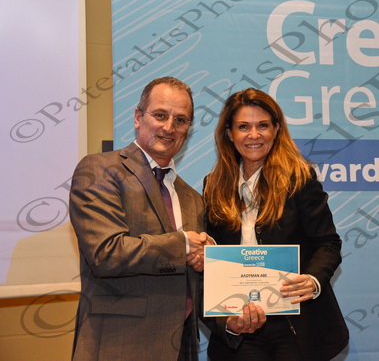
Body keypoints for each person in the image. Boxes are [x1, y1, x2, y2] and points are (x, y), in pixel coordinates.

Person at [69, 77, 263, 361]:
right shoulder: (100, 170)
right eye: (160, 115)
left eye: (180, 120)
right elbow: (106, 253)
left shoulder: (192, 198)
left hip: (182, 347)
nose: (169, 127)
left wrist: (229, 321)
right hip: (120, 345)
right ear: (138, 117)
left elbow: (194, 285)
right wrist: (183, 245)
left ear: (188, 129)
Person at [202, 88, 349, 360]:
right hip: (240, 327)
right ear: (229, 133)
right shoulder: (213, 185)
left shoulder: (300, 179)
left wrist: (312, 280)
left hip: (296, 327)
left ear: (276, 130)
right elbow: (209, 262)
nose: (254, 135)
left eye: (263, 126)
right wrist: (227, 321)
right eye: (243, 127)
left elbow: (328, 243)